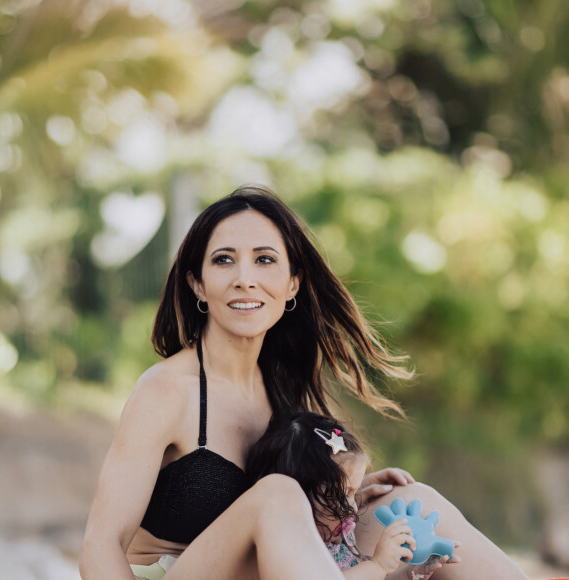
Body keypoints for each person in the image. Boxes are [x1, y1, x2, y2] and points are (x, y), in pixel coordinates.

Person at [80, 184, 529, 580]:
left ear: (292, 284)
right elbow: (100, 546)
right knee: (275, 493)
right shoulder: (166, 390)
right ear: (198, 284)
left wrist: (343, 491)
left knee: (414, 501)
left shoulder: (280, 386)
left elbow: (287, 524)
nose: (245, 279)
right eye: (223, 261)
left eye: (264, 260)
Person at [245, 411, 460, 579]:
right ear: (297, 496)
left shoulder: (338, 543)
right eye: (341, 495)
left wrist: (414, 571)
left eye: (354, 492)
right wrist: (377, 565)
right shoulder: (289, 553)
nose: (354, 508)